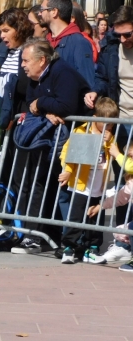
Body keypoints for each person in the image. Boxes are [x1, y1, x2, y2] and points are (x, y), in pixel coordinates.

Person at [9, 39, 91, 255]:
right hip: (50, 140)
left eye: (26, 60)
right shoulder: (35, 78)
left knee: (69, 191)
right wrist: (44, 109)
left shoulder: (62, 72)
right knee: (36, 183)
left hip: (78, 139)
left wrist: (43, 104)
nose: (23, 65)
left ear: (42, 60)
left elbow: (66, 105)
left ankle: (74, 242)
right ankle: (32, 235)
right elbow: (30, 102)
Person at [58, 97, 119, 264]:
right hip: (81, 184)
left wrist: (108, 142)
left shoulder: (110, 136)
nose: (109, 127)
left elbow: (112, 153)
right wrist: (68, 171)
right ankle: (69, 248)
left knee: (95, 217)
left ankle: (92, 248)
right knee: (76, 217)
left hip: (98, 185)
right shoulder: (82, 131)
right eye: (106, 123)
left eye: (112, 124)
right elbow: (69, 153)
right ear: (96, 117)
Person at [86, 141, 133, 265]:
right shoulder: (131, 181)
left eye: (131, 157)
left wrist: (117, 154)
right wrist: (100, 206)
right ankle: (125, 250)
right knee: (120, 231)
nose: (130, 159)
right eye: (129, 157)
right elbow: (120, 198)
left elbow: (129, 166)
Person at [38, 0, 95, 88]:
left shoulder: (79, 42)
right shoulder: (44, 40)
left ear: (54, 12)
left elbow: (86, 83)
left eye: (42, 9)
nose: (39, 13)